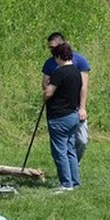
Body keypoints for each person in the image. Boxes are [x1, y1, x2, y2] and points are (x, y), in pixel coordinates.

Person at [41, 32, 90, 162]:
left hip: (75, 107)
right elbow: (45, 83)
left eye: (53, 47)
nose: (51, 50)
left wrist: (82, 107)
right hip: (58, 109)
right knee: (62, 144)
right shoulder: (50, 63)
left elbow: (83, 86)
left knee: (82, 140)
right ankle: (68, 170)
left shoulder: (79, 61)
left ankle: (73, 164)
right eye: (49, 48)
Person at [43, 42, 83, 191]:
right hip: (73, 115)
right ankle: (75, 181)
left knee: (60, 151)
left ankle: (66, 184)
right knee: (70, 149)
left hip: (59, 116)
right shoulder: (76, 71)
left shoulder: (60, 72)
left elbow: (48, 93)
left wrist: (47, 86)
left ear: (59, 56)